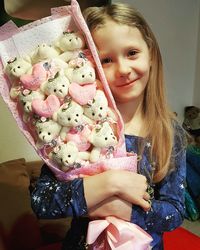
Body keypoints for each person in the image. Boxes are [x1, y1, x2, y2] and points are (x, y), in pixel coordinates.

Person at [6, 2, 187, 250]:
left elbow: (175, 212)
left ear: (151, 55)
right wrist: (105, 184)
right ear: (88, 63)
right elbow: (41, 201)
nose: (123, 69)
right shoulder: (76, 127)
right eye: (107, 60)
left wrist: (124, 210)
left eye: (132, 53)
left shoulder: (169, 132)